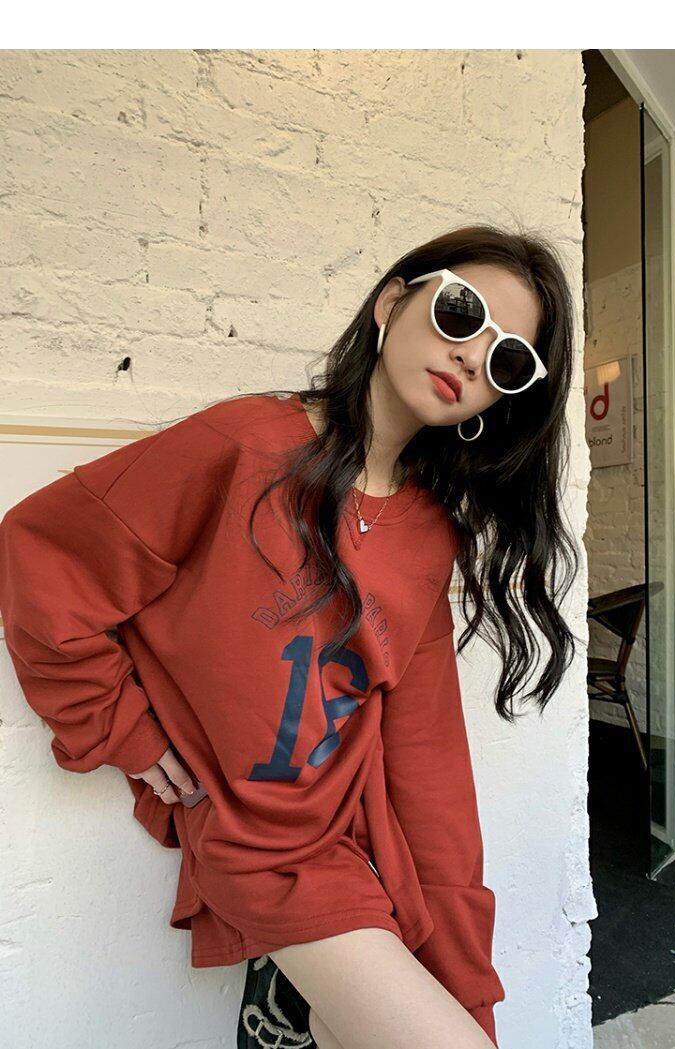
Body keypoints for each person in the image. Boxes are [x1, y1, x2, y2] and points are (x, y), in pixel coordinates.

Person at [0, 223, 581, 1049]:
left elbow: (429, 765)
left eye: (507, 361)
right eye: (462, 312)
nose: (471, 357)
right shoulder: (246, 445)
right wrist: (122, 728)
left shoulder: (427, 533)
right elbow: (41, 555)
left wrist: (463, 988)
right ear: (393, 301)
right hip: (261, 845)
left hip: (366, 848)